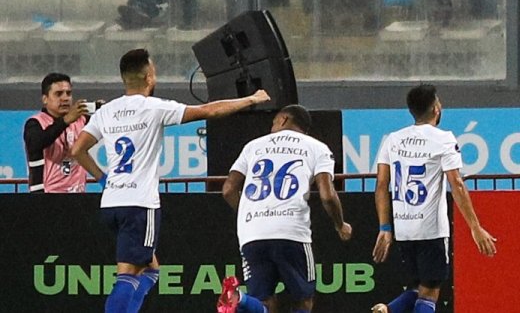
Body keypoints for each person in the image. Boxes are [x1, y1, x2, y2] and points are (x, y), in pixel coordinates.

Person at [69, 48, 270, 313]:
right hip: (139, 204)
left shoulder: (107, 111)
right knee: (128, 273)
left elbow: (77, 150)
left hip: (111, 204)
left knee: (151, 269)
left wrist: (104, 179)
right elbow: (209, 111)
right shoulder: (154, 107)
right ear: (149, 77)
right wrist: (251, 99)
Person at [371, 84, 497, 313]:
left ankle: (387, 310)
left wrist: (385, 227)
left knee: (416, 288)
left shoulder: (393, 139)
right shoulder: (444, 139)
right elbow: (456, 183)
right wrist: (475, 227)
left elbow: (381, 185)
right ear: (436, 108)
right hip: (431, 230)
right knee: (430, 292)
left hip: (404, 229)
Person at [216, 104, 352, 313]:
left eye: (273, 122)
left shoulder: (253, 146)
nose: (272, 127)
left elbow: (228, 189)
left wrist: (247, 214)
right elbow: (327, 194)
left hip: (252, 232)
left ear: (284, 119)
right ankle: (240, 298)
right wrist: (339, 224)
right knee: (303, 299)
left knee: (262, 301)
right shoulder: (317, 148)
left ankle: (239, 297)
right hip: (291, 231)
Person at [24, 73, 90, 193]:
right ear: (45, 99)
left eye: (68, 93)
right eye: (58, 94)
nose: (65, 98)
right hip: (45, 196)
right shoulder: (35, 123)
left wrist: (104, 111)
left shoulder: (82, 120)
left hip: (78, 195)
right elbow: (37, 143)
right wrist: (65, 121)